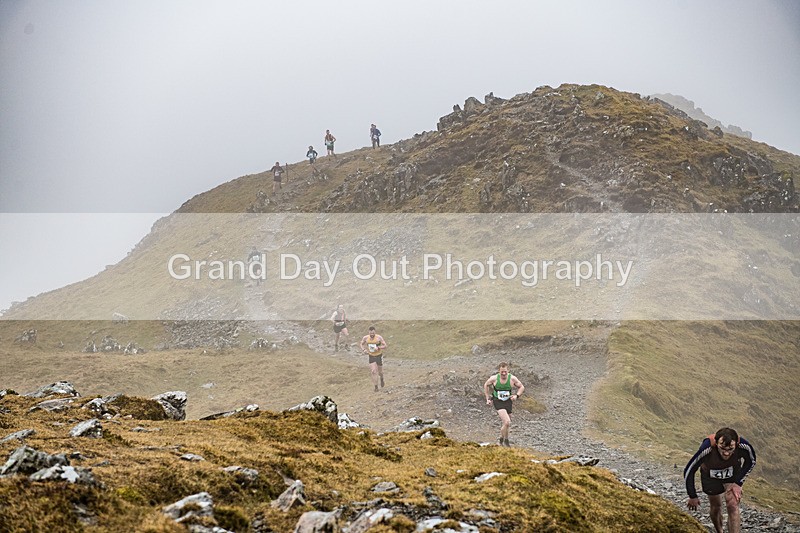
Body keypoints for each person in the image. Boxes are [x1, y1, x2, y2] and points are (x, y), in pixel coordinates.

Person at [684, 427, 756, 533]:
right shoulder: (707, 448)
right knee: (716, 506)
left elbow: (751, 461)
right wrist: (692, 495)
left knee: (732, 504)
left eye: (731, 449)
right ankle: (719, 530)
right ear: (716, 443)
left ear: (736, 444)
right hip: (710, 476)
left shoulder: (743, 446)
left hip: (732, 474)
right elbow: (689, 470)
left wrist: (738, 483)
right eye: (722, 448)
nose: (726, 453)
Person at [483, 362, 525, 447]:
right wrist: (487, 398)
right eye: (502, 371)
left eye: (505, 371)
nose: (503, 373)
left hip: (508, 401)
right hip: (498, 401)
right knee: (507, 422)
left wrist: (517, 396)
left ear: (508, 371)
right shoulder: (494, 378)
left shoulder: (512, 378)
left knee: (507, 424)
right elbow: (486, 385)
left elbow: (521, 387)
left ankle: (506, 440)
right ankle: (501, 440)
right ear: (499, 371)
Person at [360, 326, 387, 392]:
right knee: (373, 371)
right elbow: (361, 344)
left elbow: (385, 346)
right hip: (371, 356)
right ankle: (376, 387)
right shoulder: (366, 338)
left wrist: (378, 347)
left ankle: (382, 378)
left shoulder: (379, 337)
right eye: (371, 333)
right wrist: (364, 350)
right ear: (369, 332)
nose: (372, 335)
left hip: (378, 356)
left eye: (373, 333)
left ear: (375, 332)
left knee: (380, 372)